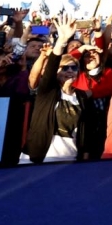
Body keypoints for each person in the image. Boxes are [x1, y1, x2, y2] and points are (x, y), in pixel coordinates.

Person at [23, 16, 89, 163]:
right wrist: (62, 41)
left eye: (74, 67)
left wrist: (85, 157)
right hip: (38, 158)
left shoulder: (82, 96)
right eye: (65, 67)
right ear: (57, 71)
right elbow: (51, 66)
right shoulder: (48, 91)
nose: (70, 71)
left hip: (70, 158)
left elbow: (85, 130)